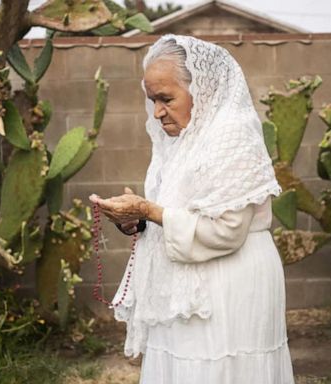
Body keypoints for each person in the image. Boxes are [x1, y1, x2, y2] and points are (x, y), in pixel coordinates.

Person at [89, 34, 295, 384]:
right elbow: (173, 211)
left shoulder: (233, 134)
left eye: (166, 98)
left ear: (203, 89)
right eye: (152, 100)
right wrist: (138, 220)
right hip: (186, 283)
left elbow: (228, 229)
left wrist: (150, 211)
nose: (157, 112)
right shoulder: (179, 141)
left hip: (230, 284)